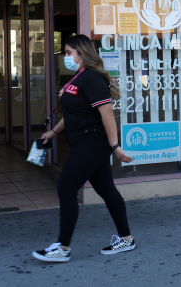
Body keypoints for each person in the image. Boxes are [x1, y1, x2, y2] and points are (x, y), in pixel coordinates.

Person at [32, 35, 135, 263]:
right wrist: (54, 132)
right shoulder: (78, 77)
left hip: (93, 142)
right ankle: (126, 238)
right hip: (82, 141)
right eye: (66, 53)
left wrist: (115, 147)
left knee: (66, 190)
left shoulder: (92, 78)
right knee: (107, 190)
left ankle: (63, 248)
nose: (66, 57)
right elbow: (73, 113)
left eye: (69, 52)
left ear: (82, 53)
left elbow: (106, 113)